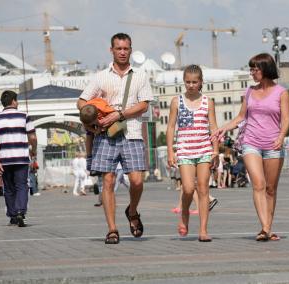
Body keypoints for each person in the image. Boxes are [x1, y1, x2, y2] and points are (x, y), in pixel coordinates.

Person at [77, 33, 153, 244]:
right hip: (105, 135)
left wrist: (119, 114)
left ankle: (133, 210)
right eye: (118, 48)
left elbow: (144, 104)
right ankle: (112, 229)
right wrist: (94, 114)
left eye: (125, 48)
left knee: (137, 181)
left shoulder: (140, 75)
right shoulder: (101, 76)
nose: (122, 52)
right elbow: (81, 101)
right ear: (111, 50)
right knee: (108, 181)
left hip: (132, 132)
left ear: (130, 50)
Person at [212, 53, 289, 242]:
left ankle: (267, 228)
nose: (252, 72)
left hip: (273, 144)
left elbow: (286, 119)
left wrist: (281, 136)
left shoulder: (282, 92)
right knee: (258, 184)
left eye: (255, 69)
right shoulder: (249, 91)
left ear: (266, 69)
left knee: (271, 189)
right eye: (251, 69)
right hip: (251, 142)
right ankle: (265, 228)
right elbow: (240, 117)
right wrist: (223, 128)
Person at [167, 64, 219, 242]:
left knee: (203, 189)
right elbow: (171, 127)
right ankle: (184, 215)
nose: (191, 85)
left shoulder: (208, 102)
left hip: (204, 149)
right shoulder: (177, 101)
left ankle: (203, 230)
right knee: (188, 188)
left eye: (194, 82)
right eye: (188, 82)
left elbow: (213, 126)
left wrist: (216, 150)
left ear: (201, 82)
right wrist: (170, 152)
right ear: (184, 82)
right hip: (184, 150)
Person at [0, 90, 37, 227]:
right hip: (21, 157)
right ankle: (21, 211)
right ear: (14, 101)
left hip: (4, 159)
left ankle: (13, 216)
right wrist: (33, 149)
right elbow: (32, 137)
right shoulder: (24, 116)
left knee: (8, 188)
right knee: (22, 186)